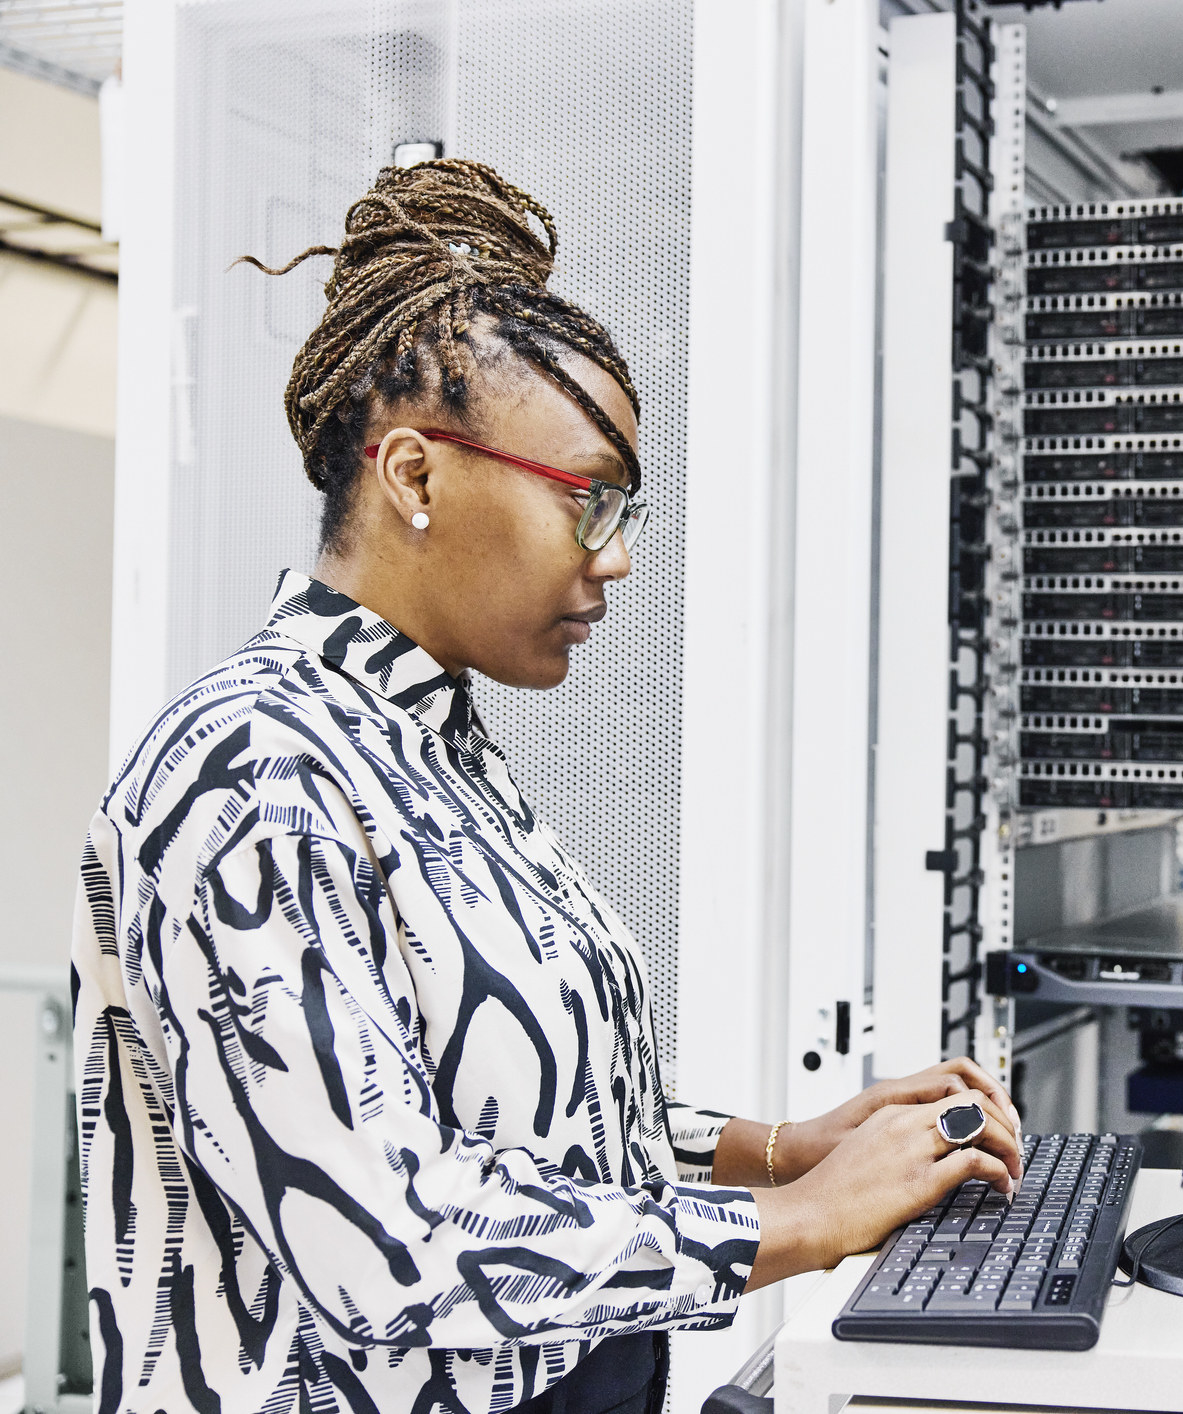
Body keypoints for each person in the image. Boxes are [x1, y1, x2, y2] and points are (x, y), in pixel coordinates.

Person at [71, 159, 1021, 1414]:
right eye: (589, 500)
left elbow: (515, 1107)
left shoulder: (427, 743)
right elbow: (384, 1246)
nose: (617, 556)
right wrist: (789, 1220)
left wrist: (787, 1144)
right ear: (413, 475)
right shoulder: (249, 775)